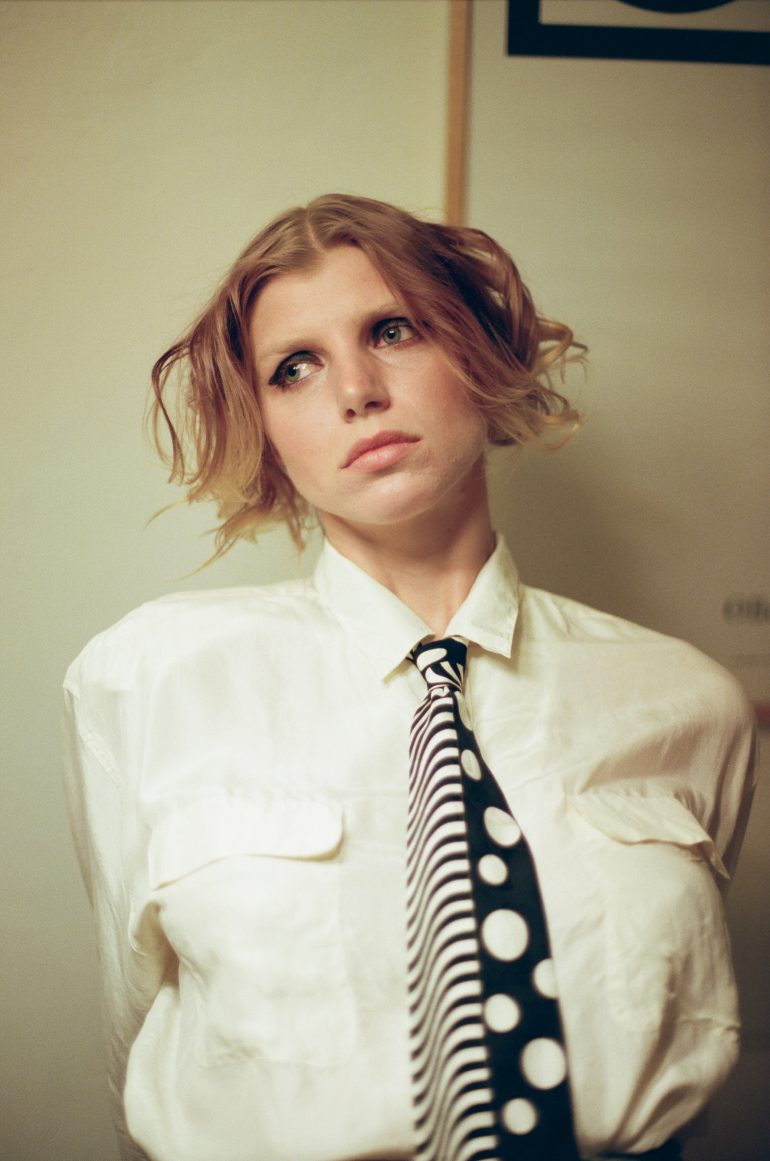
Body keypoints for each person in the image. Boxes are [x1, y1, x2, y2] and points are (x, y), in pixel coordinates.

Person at [63, 194, 755, 1161]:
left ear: (478, 351)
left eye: (393, 330)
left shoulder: (690, 702)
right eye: (294, 367)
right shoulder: (148, 679)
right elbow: (135, 1041)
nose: (356, 390)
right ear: (264, 424)